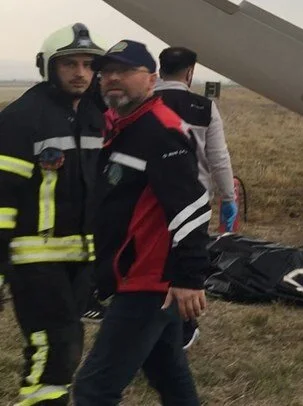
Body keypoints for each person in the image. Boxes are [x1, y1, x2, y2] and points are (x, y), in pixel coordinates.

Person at [72, 40, 211, 405]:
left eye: (125, 71)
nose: (112, 79)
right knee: (168, 374)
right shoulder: (123, 125)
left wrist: (188, 278)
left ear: (151, 80)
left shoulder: (159, 130)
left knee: (93, 389)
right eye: (107, 72)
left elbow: (191, 204)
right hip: (137, 276)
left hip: (148, 281)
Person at [0, 23, 106, 405]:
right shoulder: (21, 118)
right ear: (48, 67)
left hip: (80, 259)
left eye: (88, 65)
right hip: (34, 260)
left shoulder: (96, 117)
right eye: (70, 64)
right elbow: (1, 198)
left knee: (66, 341)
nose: (80, 73)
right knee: (54, 346)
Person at [154, 46, 237, 351]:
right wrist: (229, 197)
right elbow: (218, 158)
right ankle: (184, 327)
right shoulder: (203, 107)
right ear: (189, 72)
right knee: (185, 262)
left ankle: (160, 319)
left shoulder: (144, 102)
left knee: (155, 262)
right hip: (194, 201)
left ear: (160, 69)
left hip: (151, 200)